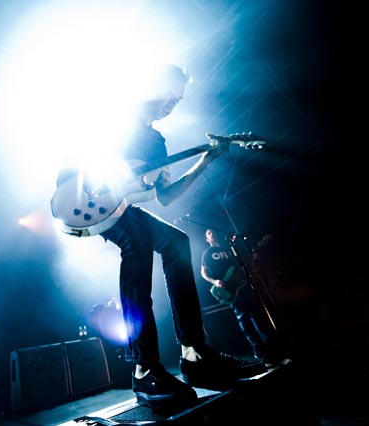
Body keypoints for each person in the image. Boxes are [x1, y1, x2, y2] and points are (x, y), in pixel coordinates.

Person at [89, 64, 263, 410]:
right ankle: (143, 368)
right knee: (137, 240)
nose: (172, 104)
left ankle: (193, 352)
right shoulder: (114, 118)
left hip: (124, 206)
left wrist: (205, 161)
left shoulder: (157, 142)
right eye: (170, 94)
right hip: (89, 201)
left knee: (177, 242)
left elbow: (165, 196)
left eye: (178, 100)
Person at [201, 228, 275, 362]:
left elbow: (239, 266)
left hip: (242, 285)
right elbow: (204, 272)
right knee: (243, 318)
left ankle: (271, 344)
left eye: (213, 231)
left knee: (257, 315)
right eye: (209, 233)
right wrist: (214, 281)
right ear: (207, 239)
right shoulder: (208, 253)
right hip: (228, 288)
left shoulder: (229, 249)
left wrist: (253, 258)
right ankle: (258, 349)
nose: (212, 233)